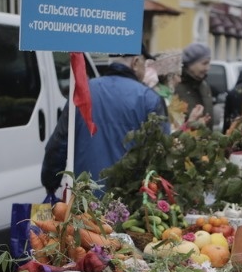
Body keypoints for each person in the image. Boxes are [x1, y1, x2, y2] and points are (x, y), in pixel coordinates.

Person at [41, 53, 168, 197]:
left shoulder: (84, 91)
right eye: (144, 65)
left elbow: (58, 144)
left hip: (85, 198)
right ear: (135, 62)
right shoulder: (148, 98)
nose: (145, 70)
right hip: (130, 199)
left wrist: (50, 183)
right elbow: (161, 153)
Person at [174, 43, 214, 128]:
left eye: (208, 63)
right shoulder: (176, 87)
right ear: (190, 64)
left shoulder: (204, 85)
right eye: (204, 63)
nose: (208, 68)